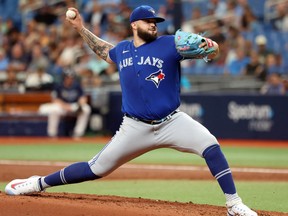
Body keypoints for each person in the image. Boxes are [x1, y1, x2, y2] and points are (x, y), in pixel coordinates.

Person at [5, 5, 257, 216]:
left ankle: (233, 204)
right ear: (134, 24)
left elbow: (212, 50)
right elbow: (104, 50)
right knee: (96, 169)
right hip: (134, 127)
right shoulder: (123, 49)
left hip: (172, 122)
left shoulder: (170, 44)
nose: (153, 24)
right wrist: (81, 29)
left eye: (155, 21)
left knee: (210, 144)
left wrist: (208, 44)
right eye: (148, 21)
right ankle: (38, 183)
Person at [38, 69, 91, 138]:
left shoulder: (77, 86)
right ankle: (52, 134)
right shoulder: (58, 86)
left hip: (73, 106)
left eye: (71, 78)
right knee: (54, 110)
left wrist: (80, 104)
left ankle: (78, 133)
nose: (69, 79)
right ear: (64, 78)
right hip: (62, 107)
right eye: (68, 78)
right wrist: (65, 106)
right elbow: (55, 100)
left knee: (86, 109)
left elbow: (83, 97)